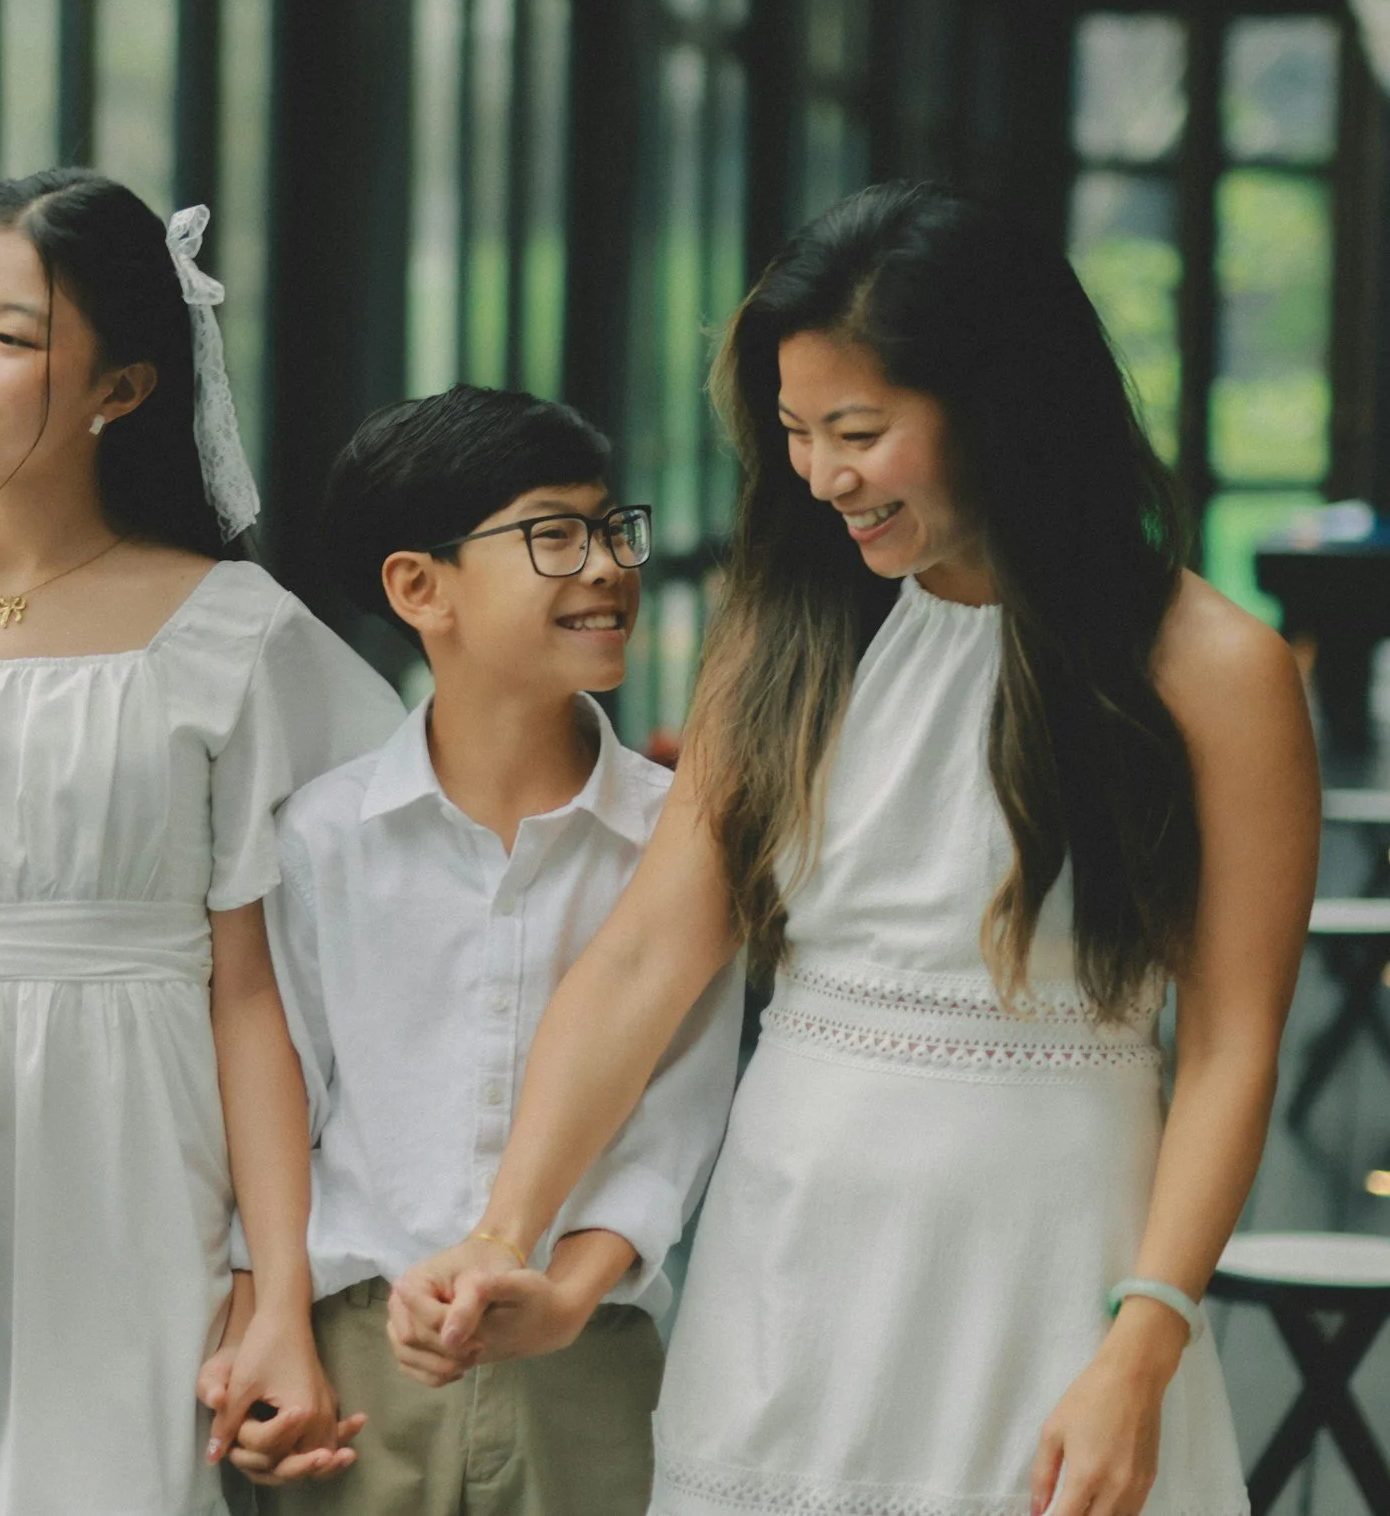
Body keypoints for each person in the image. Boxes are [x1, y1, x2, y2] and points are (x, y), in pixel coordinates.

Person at [393, 183, 1319, 1516]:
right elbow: (649, 953)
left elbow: (1234, 1043)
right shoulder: (784, 632)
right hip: (793, 1259)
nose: (821, 475)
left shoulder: (1211, 666)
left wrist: (1147, 1337)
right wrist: (507, 1229)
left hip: (1054, 1267)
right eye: (794, 432)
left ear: (1000, 406)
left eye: (859, 431)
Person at [0, 169, 406, 1516]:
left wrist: (275, 1281)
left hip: (136, 1171)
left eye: (11, 337)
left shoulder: (228, 633)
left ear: (121, 388)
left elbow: (255, 991)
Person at [210, 385, 739, 1515]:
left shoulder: (678, 839)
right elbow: (277, 1118)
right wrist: (267, 1324)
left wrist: (562, 1289)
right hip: (353, 1361)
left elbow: (673, 1129)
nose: (605, 565)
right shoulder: (318, 840)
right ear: (418, 586)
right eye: (553, 534)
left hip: (592, 1357)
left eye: (611, 528)